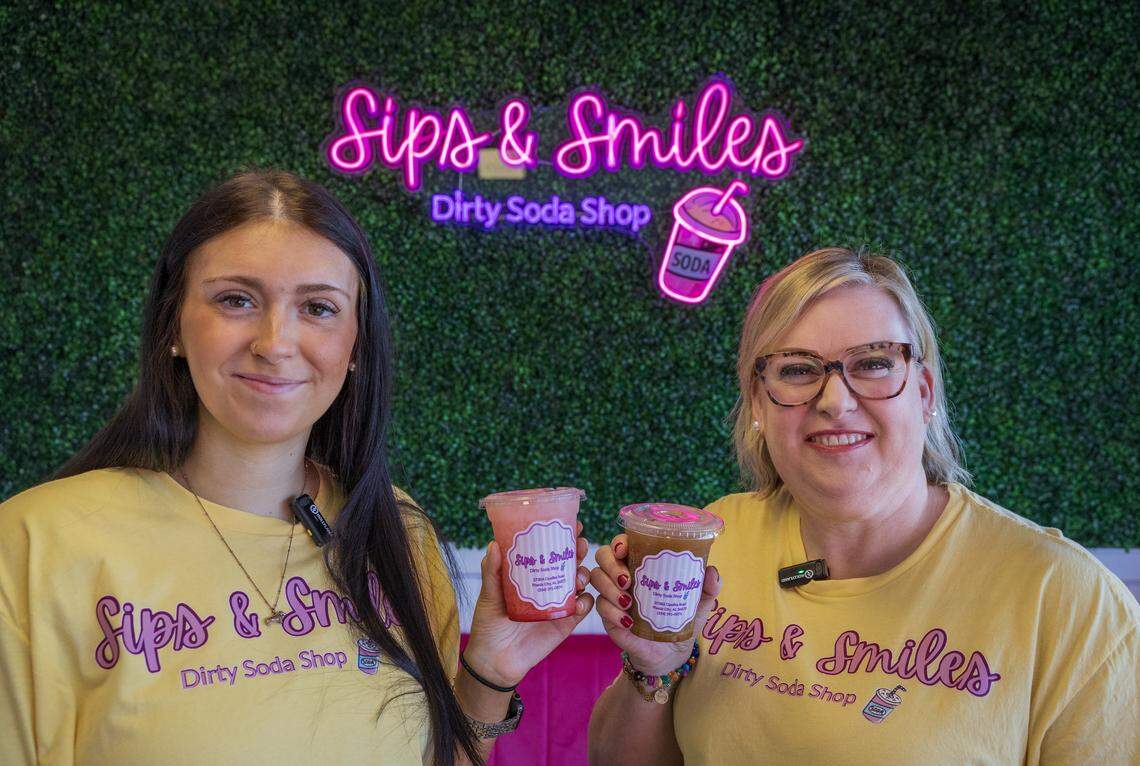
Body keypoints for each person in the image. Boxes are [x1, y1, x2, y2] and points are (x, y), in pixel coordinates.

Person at [0, 169, 595, 765]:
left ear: (356, 346)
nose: (276, 342)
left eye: (317, 307)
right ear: (173, 327)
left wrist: (488, 672)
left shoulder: (396, 530)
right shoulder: (36, 544)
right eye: (236, 299)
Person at [588, 247, 1139, 764]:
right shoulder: (715, 540)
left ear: (923, 392)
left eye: (874, 363)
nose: (835, 401)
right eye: (798, 370)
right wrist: (651, 666)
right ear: (758, 402)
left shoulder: (1070, 601)